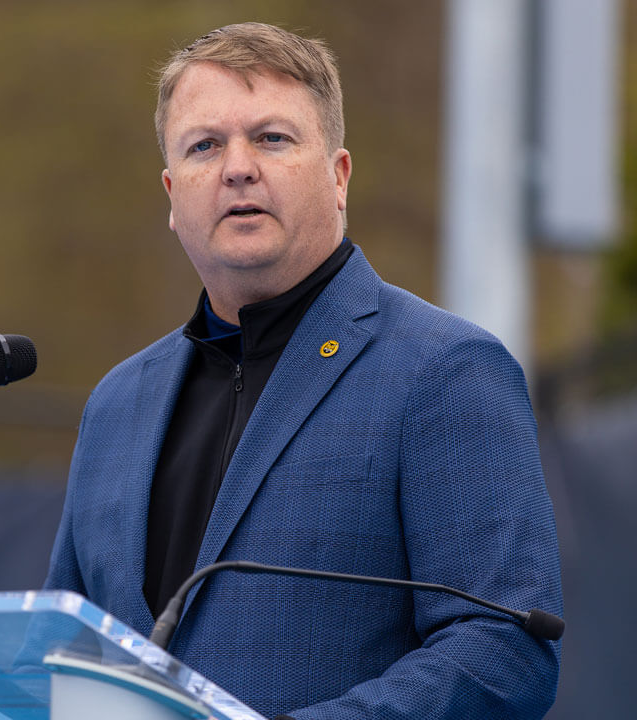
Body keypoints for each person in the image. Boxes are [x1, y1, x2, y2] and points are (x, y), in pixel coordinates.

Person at [44, 22, 562, 719]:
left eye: (272, 138)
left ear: (338, 175)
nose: (237, 167)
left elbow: (504, 652)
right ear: (172, 194)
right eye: (204, 146)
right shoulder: (114, 406)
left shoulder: (445, 373)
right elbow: (60, 660)